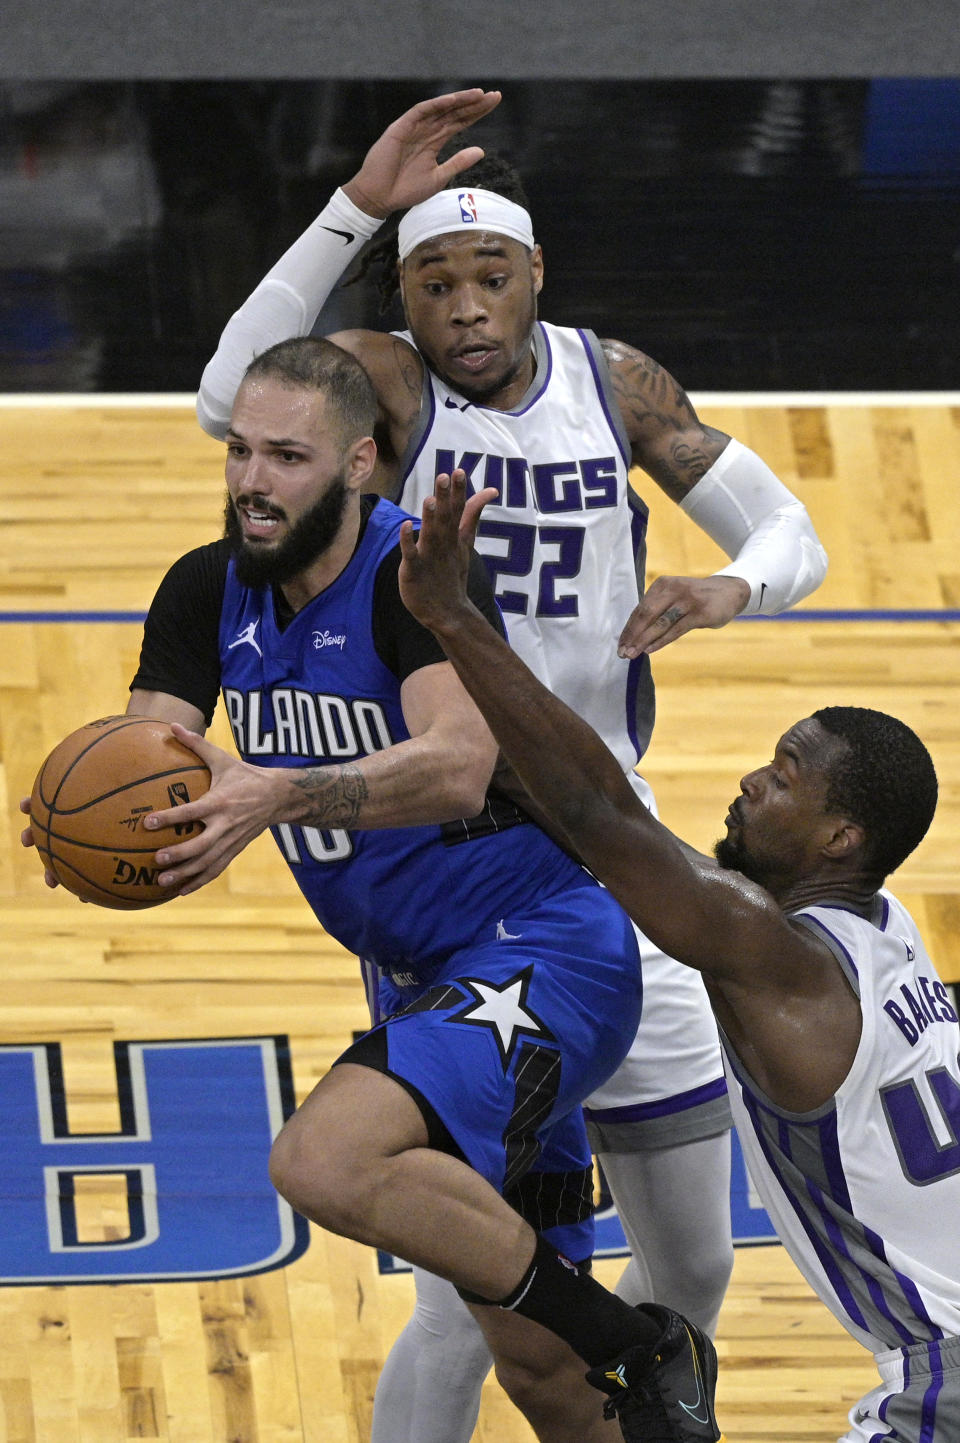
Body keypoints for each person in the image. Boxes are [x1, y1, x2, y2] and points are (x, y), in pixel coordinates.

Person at [194, 86, 828, 1443]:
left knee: (698, 1268)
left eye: (492, 277)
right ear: (402, 301)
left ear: (538, 273)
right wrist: (351, 207)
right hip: (463, 876)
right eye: (433, 282)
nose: (467, 308)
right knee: (459, 1297)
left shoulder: (617, 384)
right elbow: (223, 395)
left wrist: (734, 593)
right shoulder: (394, 394)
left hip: (627, 866)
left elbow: (792, 531)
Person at [23, 337, 724, 1443]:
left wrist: (274, 796)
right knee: (542, 1374)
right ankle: (615, 1356)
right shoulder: (208, 587)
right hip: (423, 984)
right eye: (241, 453)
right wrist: (94, 833)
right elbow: (158, 757)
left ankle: (645, 1340)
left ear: (357, 465)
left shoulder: (416, 577)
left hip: (544, 951)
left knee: (323, 1159)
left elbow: (456, 762)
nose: (253, 481)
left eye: (287, 457)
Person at [395, 467, 960, 1443]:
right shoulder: (889, 931)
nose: (751, 781)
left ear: (839, 840)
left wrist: (455, 622)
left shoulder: (780, 964)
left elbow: (601, 814)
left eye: (784, 781)